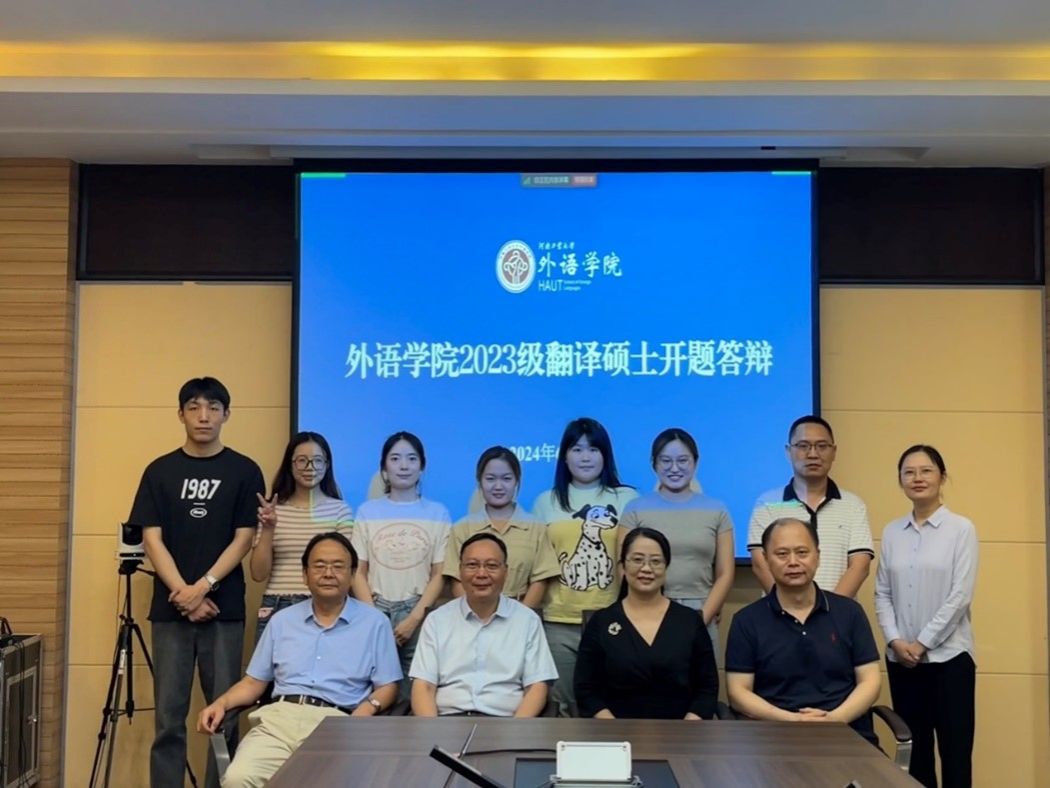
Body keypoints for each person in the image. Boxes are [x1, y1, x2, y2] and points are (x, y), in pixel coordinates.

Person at [129, 376, 265, 788]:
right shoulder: (159, 471)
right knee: (168, 719)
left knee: (224, 715)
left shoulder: (244, 470)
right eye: (194, 407)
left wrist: (202, 587)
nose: (203, 416)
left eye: (213, 408)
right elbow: (151, 538)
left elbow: (244, 538)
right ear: (181, 414)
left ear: (226, 414)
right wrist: (184, 595)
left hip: (224, 611)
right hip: (171, 612)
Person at [197, 532, 401, 788]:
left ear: (352, 574)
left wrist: (367, 709)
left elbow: (388, 686)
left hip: (336, 723)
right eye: (319, 565)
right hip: (278, 721)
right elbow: (253, 683)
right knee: (238, 779)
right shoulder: (282, 620)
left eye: (338, 566)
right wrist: (221, 703)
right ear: (305, 575)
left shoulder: (374, 623)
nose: (328, 573)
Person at [726, 517, 882, 745]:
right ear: (766, 559)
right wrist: (793, 720)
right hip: (774, 737)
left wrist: (834, 720)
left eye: (802, 552)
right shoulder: (747, 621)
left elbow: (870, 681)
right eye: (782, 554)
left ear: (817, 556)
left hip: (846, 734)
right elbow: (738, 693)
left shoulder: (850, 612)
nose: (793, 562)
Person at [875, 445, 977, 788]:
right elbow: (882, 593)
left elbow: (960, 596)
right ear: (900, 480)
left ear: (942, 477)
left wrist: (921, 643)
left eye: (926, 470)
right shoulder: (892, 532)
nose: (917, 478)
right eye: (909, 472)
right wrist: (895, 641)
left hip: (950, 659)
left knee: (955, 754)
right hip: (902, 661)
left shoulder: (961, 529)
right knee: (915, 755)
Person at [531, 417, 638, 716]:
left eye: (593, 449)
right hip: (558, 621)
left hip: (613, 620)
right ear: (564, 456)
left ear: (605, 455)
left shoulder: (627, 498)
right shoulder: (545, 502)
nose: (585, 457)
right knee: (562, 706)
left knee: (612, 704)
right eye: (577, 449)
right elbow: (538, 564)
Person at [574, 528, 718, 719]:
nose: (647, 569)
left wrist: (687, 728)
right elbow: (585, 689)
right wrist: (613, 728)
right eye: (637, 560)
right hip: (615, 731)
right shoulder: (602, 622)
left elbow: (707, 688)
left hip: (681, 731)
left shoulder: (690, 621)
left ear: (666, 567)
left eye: (656, 561)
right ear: (623, 565)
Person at [410, 533, 558, 716]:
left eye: (491, 566)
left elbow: (537, 686)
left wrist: (517, 730)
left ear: (506, 572)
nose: (481, 574)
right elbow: (423, 685)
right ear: (460, 570)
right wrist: (432, 730)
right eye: (472, 565)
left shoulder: (527, 621)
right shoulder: (437, 620)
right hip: (447, 721)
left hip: (506, 723)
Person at [350, 431, 450, 694]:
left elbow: (440, 573)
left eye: (411, 458)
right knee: (372, 690)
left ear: (422, 466)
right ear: (384, 467)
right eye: (395, 459)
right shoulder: (367, 511)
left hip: (418, 611)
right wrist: (374, 617)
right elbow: (357, 571)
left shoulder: (437, 513)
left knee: (415, 691)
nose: (404, 466)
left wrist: (414, 619)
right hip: (375, 608)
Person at [620, 428, 734, 655]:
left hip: (700, 609)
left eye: (682, 460)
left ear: (695, 462)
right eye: (666, 461)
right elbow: (623, 567)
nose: (674, 468)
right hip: (646, 609)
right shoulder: (635, 509)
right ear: (654, 464)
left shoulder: (717, 509)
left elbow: (725, 573)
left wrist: (700, 619)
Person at [747, 415, 873, 597]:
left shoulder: (853, 505)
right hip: (781, 612)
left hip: (837, 612)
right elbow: (760, 565)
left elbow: (860, 566)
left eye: (822, 446)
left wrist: (830, 610)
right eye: (803, 446)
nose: (813, 454)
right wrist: (791, 606)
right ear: (788, 451)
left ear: (834, 451)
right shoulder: (766, 503)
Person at [251, 431, 353, 643]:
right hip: (278, 603)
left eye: (317, 461)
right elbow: (258, 574)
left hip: (327, 605)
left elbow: (347, 569)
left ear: (327, 465)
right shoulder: (273, 510)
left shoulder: (340, 510)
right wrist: (268, 528)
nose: (310, 467)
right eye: (301, 461)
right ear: (290, 465)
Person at [444, 446, 560, 609]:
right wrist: (476, 614)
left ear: (517, 481)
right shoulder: (462, 528)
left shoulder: (537, 528)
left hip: (521, 613)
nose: (498, 486)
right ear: (479, 482)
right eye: (490, 479)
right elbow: (456, 579)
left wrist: (520, 617)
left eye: (506, 479)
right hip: (472, 615)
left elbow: (540, 580)